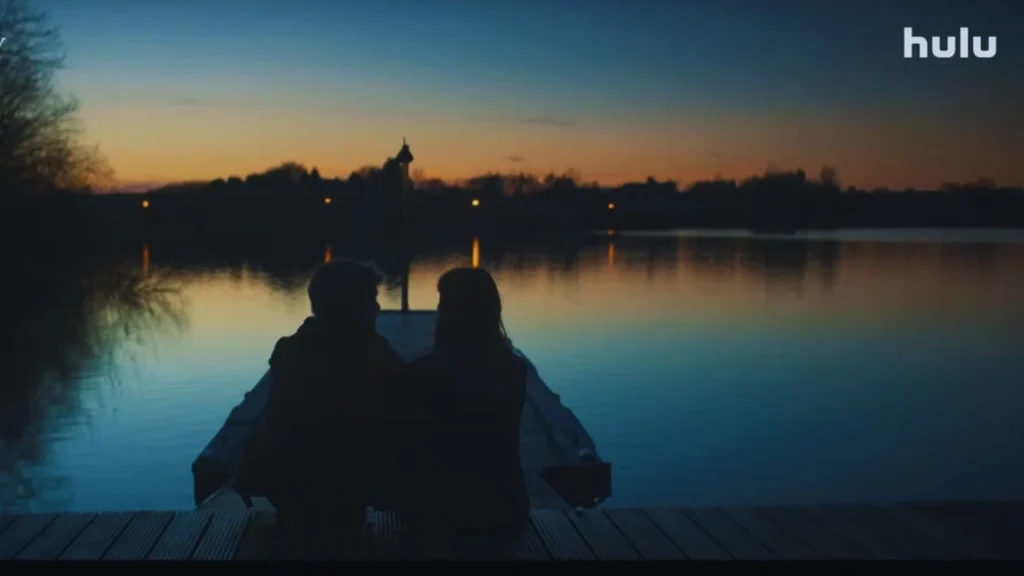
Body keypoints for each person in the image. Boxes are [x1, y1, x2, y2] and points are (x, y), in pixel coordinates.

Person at [237, 258, 405, 559]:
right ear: (352, 307)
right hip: (343, 480)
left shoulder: (289, 348)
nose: (378, 308)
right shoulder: (373, 354)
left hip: (283, 480)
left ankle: (301, 519)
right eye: (372, 301)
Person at [401, 267, 530, 558]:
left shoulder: (423, 373)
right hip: (508, 509)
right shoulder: (514, 368)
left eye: (443, 303)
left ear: (448, 312)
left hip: (441, 516)